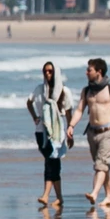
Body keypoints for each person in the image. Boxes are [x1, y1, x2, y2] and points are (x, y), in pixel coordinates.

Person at [67, 58, 110, 207]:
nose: (86, 72)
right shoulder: (86, 91)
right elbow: (79, 110)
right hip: (92, 133)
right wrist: (71, 125)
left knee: (101, 165)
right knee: (103, 166)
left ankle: (94, 193)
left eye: (89, 70)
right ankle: (109, 196)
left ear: (99, 72)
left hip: (109, 131)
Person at [27, 62, 72, 206]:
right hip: (41, 131)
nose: (47, 74)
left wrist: (70, 130)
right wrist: (35, 116)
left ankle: (46, 195)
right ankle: (59, 197)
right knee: (51, 161)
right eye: (45, 71)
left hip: (57, 132)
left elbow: (68, 112)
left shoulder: (64, 91)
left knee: (51, 162)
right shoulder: (39, 89)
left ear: (56, 73)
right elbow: (29, 102)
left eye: (50, 71)